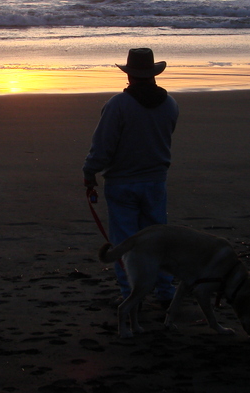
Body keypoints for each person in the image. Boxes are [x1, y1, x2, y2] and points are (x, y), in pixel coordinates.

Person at [83, 48, 179, 305]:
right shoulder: (170, 104)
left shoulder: (117, 105)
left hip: (121, 183)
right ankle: (166, 292)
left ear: (129, 75)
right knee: (157, 240)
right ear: (153, 74)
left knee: (124, 243)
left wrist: (89, 171)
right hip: (156, 181)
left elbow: (103, 147)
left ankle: (130, 294)